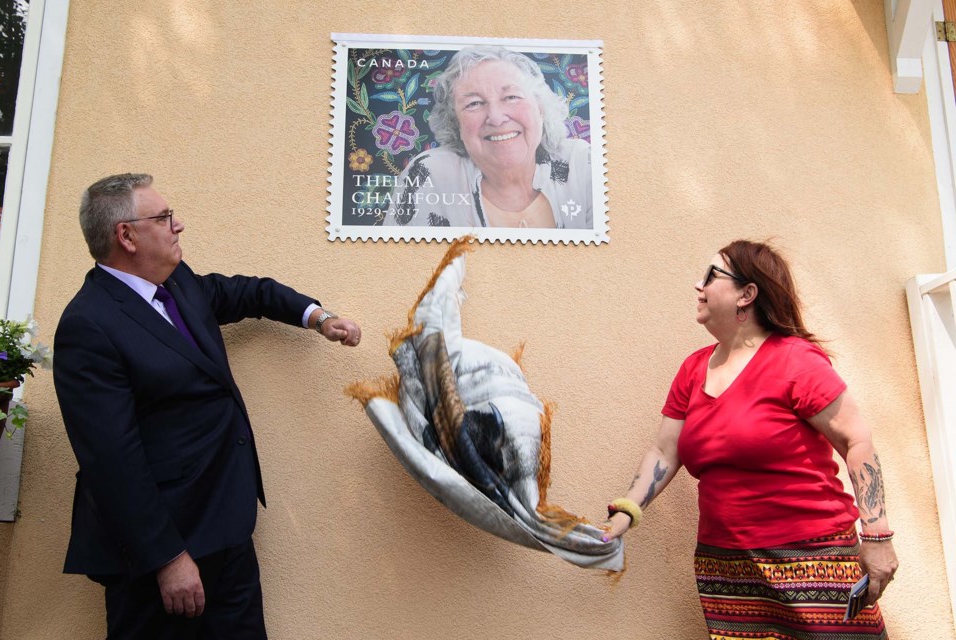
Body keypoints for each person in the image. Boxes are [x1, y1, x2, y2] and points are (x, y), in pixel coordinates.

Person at [54, 173, 361, 639]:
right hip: (161, 553)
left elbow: (248, 292)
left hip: (225, 525)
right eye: (163, 217)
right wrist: (168, 560)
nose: (178, 226)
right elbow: (112, 461)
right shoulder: (88, 325)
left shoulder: (178, 283)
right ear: (126, 236)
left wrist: (319, 317)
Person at [603, 240, 898, 638]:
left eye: (710, 275)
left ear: (747, 293)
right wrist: (625, 514)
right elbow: (665, 450)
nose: (697, 285)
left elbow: (856, 441)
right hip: (725, 567)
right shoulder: (692, 370)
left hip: (811, 557)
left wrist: (877, 537)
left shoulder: (795, 360)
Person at [383, 46, 592, 229]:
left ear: (540, 109)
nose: (496, 118)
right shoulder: (430, 175)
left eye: (511, 97)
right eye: (474, 103)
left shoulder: (581, 164)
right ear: (456, 125)